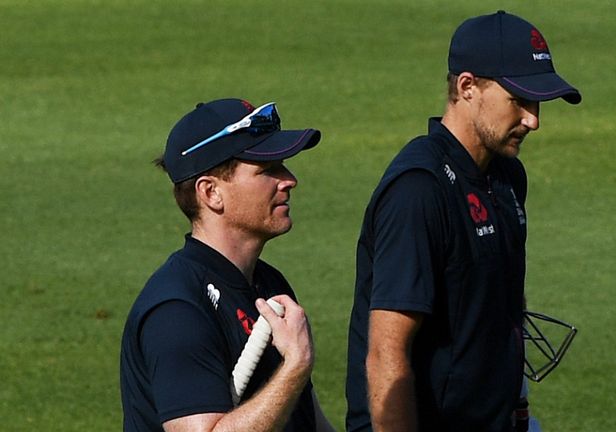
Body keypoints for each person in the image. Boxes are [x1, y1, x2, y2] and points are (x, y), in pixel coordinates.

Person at [346, 11, 581, 432]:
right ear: (467, 87)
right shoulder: (418, 190)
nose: (533, 120)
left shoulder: (506, 175)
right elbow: (386, 353)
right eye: (519, 100)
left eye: (538, 103)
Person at [120, 98, 335, 432]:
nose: (289, 179)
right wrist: (295, 365)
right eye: (268, 169)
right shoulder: (177, 310)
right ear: (211, 193)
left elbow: (307, 420)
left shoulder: (268, 282)